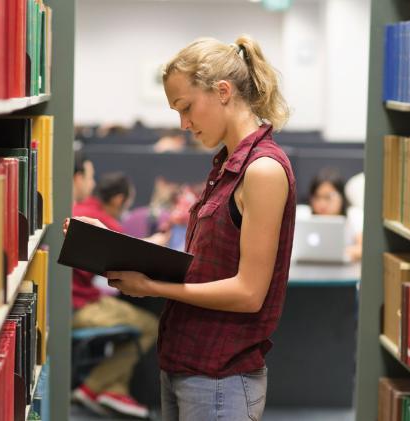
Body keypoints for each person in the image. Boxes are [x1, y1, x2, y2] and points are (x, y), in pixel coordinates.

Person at [64, 35, 295, 421]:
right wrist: (108, 241)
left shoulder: (263, 171)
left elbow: (249, 293)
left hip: (220, 374)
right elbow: (205, 265)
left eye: (186, 108)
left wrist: (151, 287)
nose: (183, 124)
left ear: (223, 91)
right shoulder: (225, 166)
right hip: (186, 364)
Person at [70, 157, 159, 419]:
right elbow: (132, 260)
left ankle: (115, 390)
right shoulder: (97, 218)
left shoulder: (81, 208)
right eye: (90, 176)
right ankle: (92, 387)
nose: (92, 182)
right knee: (151, 325)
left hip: (81, 298)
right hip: (78, 305)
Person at [306, 167, 363, 262]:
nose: (322, 204)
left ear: (341, 196)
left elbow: (362, 249)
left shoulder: (354, 216)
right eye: (317, 197)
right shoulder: (304, 218)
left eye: (328, 197)